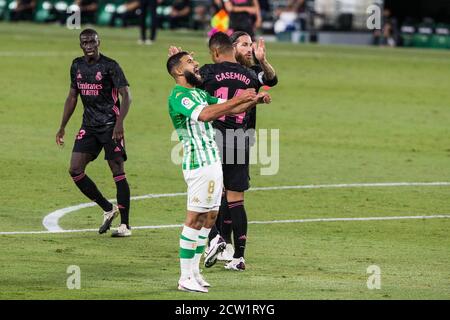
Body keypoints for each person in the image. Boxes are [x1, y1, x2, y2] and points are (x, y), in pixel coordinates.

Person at [167, 51, 270, 292]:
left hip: (212, 161)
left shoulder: (198, 93)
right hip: (198, 163)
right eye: (190, 62)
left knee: (210, 218)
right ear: (179, 72)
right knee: (194, 219)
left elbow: (227, 110)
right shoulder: (179, 96)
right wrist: (239, 98)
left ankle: (195, 272)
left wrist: (254, 101)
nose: (197, 64)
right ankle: (184, 277)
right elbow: (205, 115)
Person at [55, 29, 132, 237]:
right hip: (89, 126)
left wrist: (119, 123)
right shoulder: (76, 65)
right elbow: (72, 97)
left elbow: (127, 97)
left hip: (110, 125)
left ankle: (125, 225)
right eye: (84, 42)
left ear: (99, 42)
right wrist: (62, 126)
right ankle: (108, 208)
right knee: (75, 169)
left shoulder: (110, 66)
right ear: (80, 45)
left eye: (92, 41)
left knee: (117, 170)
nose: (88, 45)